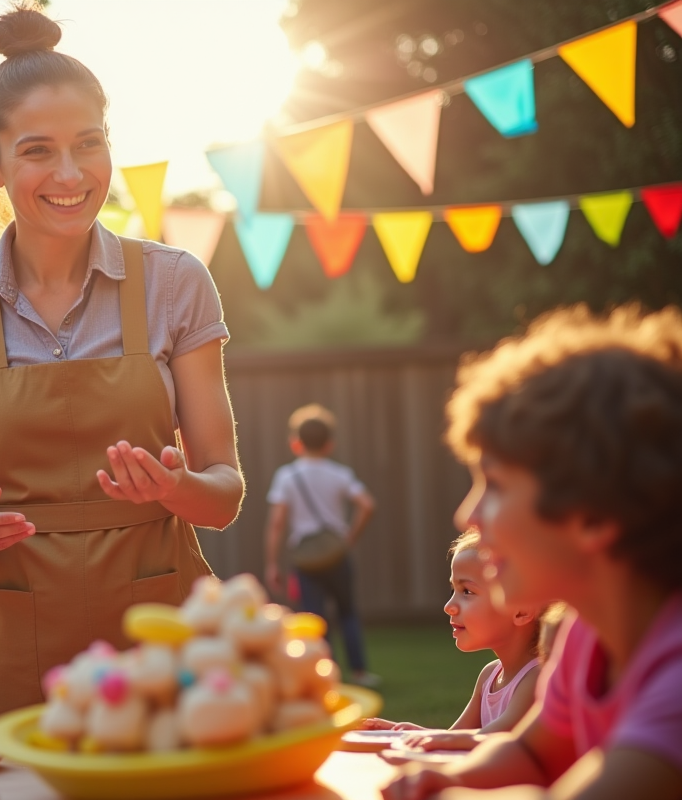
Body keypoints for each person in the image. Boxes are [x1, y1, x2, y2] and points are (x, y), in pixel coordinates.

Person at [0, 2, 243, 744]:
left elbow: (223, 494)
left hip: (164, 635)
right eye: (38, 151)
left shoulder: (177, 283)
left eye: (89, 144)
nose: (70, 173)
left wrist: (172, 488)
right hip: (10, 637)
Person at [382, 304, 682, 800]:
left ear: (592, 515)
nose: (466, 515)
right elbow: (534, 754)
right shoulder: (585, 636)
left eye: (495, 485)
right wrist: (452, 779)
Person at [363, 530, 545, 751]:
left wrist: (432, 738)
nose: (448, 606)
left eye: (467, 591)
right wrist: (410, 734)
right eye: (453, 590)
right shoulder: (489, 675)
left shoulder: (537, 677)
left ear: (521, 610)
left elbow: (496, 739)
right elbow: (456, 738)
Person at [263, 403, 377, 686]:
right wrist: (349, 537)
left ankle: (326, 675)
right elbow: (367, 504)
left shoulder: (286, 476)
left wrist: (272, 563)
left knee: (314, 619)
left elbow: (276, 523)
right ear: (329, 444)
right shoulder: (340, 474)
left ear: (295, 443)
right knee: (347, 612)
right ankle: (360, 672)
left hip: (306, 558)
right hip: (337, 554)